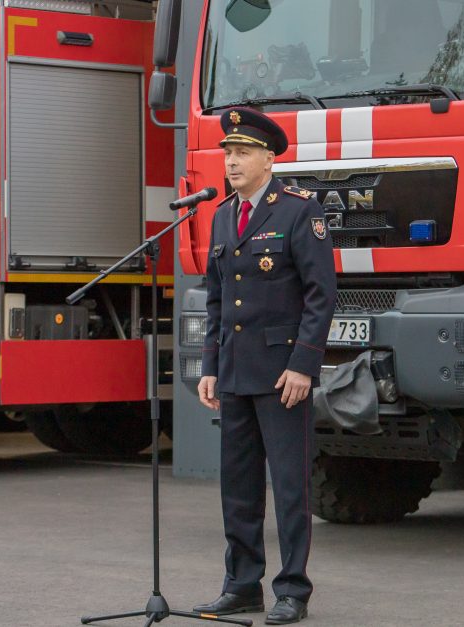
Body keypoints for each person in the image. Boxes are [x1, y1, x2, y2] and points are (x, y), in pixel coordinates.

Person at [193, 107, 336, 625]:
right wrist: (210, 365)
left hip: (282, 375)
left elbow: (322, 296)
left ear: (269, 158)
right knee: (239, 486)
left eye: (242, 152)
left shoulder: (300, 212)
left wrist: (303, 365)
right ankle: (242, 584)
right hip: (234, 372)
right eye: (227, 152)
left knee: (291, 487)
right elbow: (216, 299)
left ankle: (293, 590)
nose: (231, 161)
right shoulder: (222, 215)